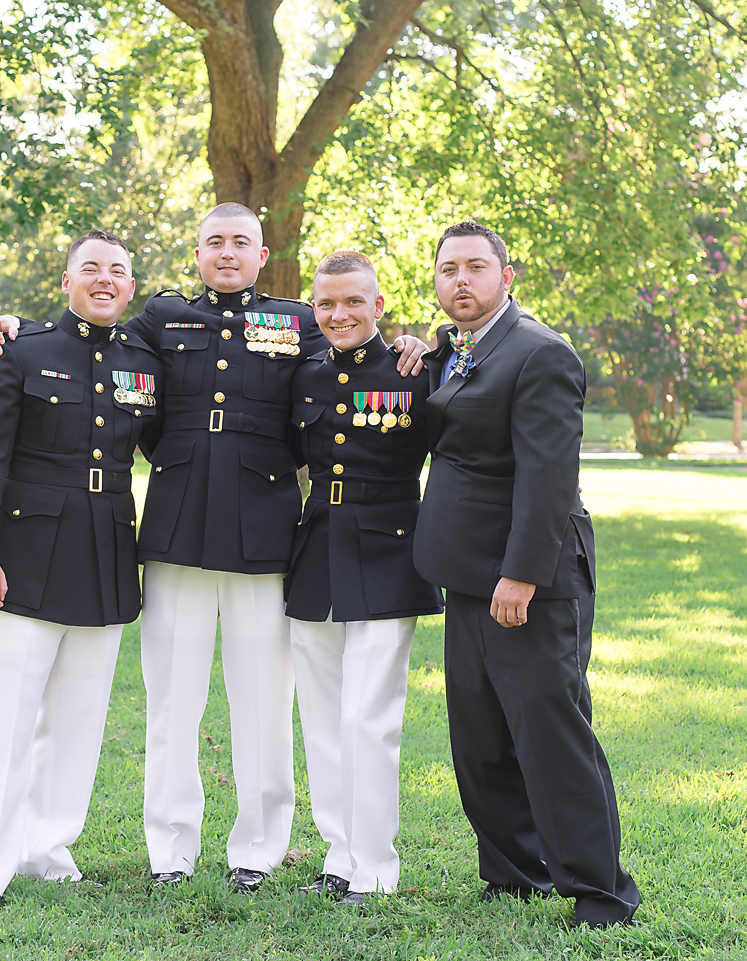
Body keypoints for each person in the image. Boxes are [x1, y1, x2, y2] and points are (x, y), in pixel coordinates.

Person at [0, 205, 429, 893]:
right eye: (214, 241)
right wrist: (8, 325)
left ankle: (257, 849)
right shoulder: (161, 318)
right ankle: (171, 847)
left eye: (241, 242)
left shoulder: (299, 321)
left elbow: (350, 359)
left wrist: (414, 344)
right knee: (171, 704)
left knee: (264, 708)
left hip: (265, 535)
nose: (227, 252)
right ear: (196, 253)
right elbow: (94, 344)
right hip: (176, 530)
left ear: (262, 255)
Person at [412, 221, 641, 928]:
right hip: (464, 572)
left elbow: (548, 477)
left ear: (506, 276)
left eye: (475, 266)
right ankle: (514, 871)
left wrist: (521, 575)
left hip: (527, 580)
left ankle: (600, 891)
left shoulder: (541, 353)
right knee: (480, 735)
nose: (461, 280)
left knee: (549, 734)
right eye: (448, 268)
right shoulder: (452, 349)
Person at [0, 229, 161, 911]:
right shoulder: (21, 349)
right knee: (6, 722)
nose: (104, 279)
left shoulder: (143, 359)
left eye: (117, 271)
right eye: (90, 268)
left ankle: (46, 849)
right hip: (24, 557)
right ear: (67, 282)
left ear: (131, 288)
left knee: (78, 721)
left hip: (105, 553)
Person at [285, 251, 442, 907]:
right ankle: (339, 853)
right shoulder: (303, 374)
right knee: (323, 721)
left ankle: (374, 867)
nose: (339, 314)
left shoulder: (416, 370)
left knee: (367, 719)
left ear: (378, 305)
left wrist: (425, 345)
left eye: (353, 301)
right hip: (315, 554)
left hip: (388, 556)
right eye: (326, 303)